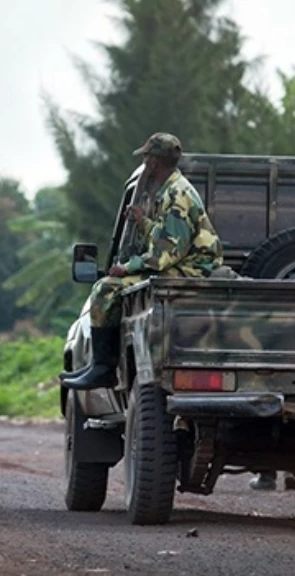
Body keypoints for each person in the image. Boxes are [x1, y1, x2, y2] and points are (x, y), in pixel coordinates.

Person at [61, 132, 223, 390]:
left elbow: (164, 256)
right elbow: (168, 235)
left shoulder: (176, 195)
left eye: (147, 157)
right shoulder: (173, 189)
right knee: (110, 285)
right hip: (186, 264)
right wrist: (144, 223)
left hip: (192, 270)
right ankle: (99, 367)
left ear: (154, 161)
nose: (145, 162)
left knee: (106, 288)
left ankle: (104, 369)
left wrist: (126, 267)